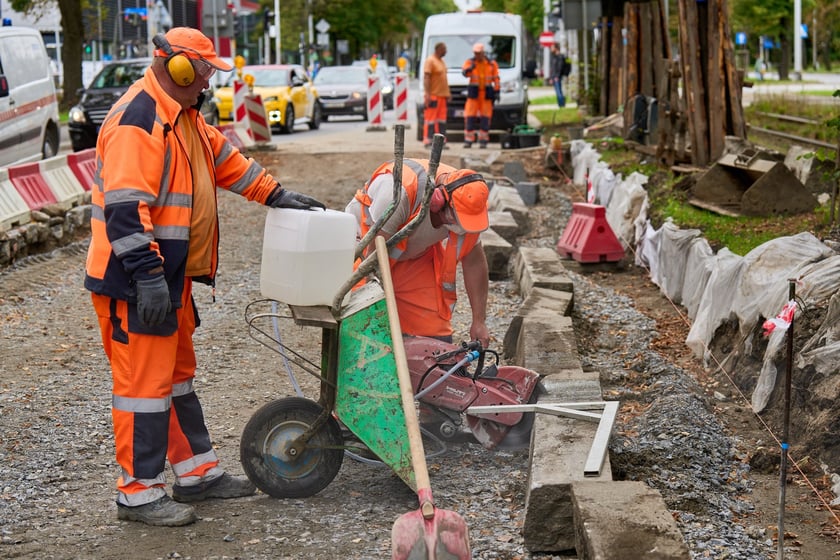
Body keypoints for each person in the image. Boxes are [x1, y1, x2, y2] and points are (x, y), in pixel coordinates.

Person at [84, 27, 325, 527]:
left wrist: (276, 194)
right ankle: (138, 494)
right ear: (179, 68)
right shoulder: (140, 119)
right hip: (134, 279)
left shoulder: (184, 118)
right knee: (142, 390)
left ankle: (196, 474)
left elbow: (226, 162)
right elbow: (126, 211)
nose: (208, 84)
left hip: (167, 279)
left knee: (174, 382)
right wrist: (148, 276)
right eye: (205, 73)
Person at [345, 159, 490, 347]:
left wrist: (479, 321)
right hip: (365, 254)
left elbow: (474, 262)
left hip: (413, 257)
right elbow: (374, 258)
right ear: (438, 202)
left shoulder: (469, 202)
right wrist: (378, 308)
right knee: (364, 332)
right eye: (457, 221)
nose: (461, 229)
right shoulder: (398, 192)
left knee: (433, 340)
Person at [461, 43, 500, 149]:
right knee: (469, 116)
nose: (477, 55)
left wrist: (497, 91)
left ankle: (483, 140)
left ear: (483, 53)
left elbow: (496, 78)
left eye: (479, 53)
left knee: (485, 117)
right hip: (474, 94)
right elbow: (464, 73)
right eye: (475, 53)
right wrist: (470, 68)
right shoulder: (470, 62)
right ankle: (468, 140)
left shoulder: (491, 64)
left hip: (486, 94)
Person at [422, 42, 451, 149]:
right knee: (430, 120)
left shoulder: (441, 61)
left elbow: (443, 80)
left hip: (442, 97)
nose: (446, 51)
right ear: (438, 49)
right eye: (444, 49)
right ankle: (428, 141)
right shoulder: (430, 61)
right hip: (433, 96)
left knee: (441, 121)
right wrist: (428, 94)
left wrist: (447, 93)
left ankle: (441, 142)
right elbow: (427, 78)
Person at [549, 43, 570, 107]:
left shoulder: (560, 57)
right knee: (558, 91)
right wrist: (551, 77)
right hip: (555, 77)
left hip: (557, 77)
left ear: (556, 48)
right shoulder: (554, 57)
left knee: (559, 92)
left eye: (552, 47)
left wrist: (557, 76)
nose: (551, 49)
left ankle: (562, 105)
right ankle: (560, 104)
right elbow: (553, 69)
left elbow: (559, 67)